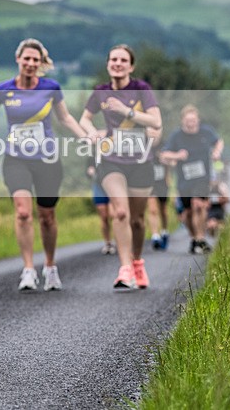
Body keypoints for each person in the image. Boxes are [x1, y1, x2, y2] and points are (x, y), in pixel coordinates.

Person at [0, 39, 87, 291]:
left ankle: (50, 266)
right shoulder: (3, 89)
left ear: (40, 64)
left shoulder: (51, 87)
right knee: (23, 212)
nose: (30, 63)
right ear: (18, 59)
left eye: (35, 60)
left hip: (47, 159)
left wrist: (85, 137)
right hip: (16, 159)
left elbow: (65, 118)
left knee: (47, 217)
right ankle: (28, 269)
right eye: (26, 58)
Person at [79, 45, 162, 290]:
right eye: (113, 59)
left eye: (123, 60)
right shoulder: (100, 92)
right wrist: (92, 133)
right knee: (121, 212)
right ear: (108, 64)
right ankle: (124, 268)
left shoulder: (142, 90)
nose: (117, 63)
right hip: (111, 159)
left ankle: (137, 262)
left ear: (131, 66)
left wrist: (126, 111)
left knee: (137, 220)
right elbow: (84, 118)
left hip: (140, 162)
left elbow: (156, 121)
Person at [160, 104, 224, 254]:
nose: (191, 123)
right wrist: (177, 155)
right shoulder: (176, 136)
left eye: (193, 120)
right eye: (188, 120)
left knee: (199, 205)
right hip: (184, 181)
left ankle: (201, 239)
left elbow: (219, 141)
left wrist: (216, 152)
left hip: (202, 177)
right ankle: (194, 238)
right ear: (183, 121)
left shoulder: (206, 132)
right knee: (188, 213)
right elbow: (164, 155)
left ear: (198, 120)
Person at [87, 154, 115, 255]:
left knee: (114, 214)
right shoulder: (92, 154)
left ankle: (120, 241)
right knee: (104, 217)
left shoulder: (114, 153)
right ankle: (108, 243)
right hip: (99, 187)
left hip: (112, 185)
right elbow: (88, 170)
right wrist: (90, 171)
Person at [148, 145, 170, 250]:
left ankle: (164, 231)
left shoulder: (164, 145)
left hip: (162, 183)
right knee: (152, 210)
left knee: (163, 210)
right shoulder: (144, 145)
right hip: (149, 183)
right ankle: (155, 236)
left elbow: (170, 163)